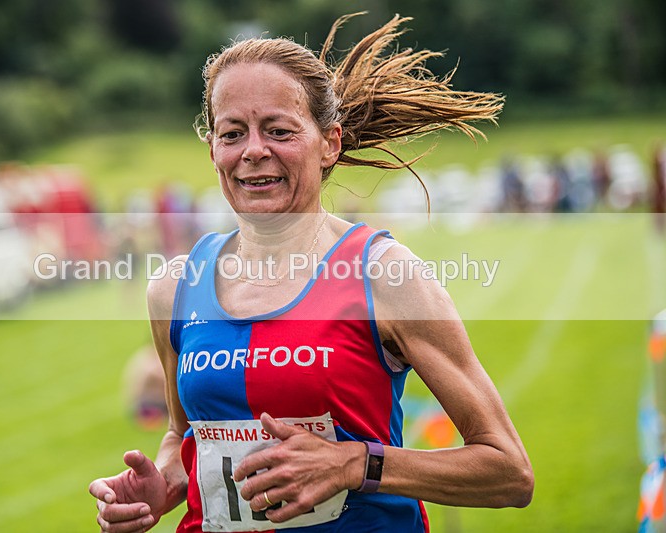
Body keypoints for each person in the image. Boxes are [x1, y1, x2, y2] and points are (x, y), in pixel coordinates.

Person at [89, 13, 533, 532]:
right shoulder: (174, 288)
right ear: (213, 150)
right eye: (233, 133)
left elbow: (508, 472)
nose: (254, 151)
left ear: (329, 143)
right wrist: (161, 486)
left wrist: (352, 463)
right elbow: (184, 435)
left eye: (278, 130)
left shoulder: (385, 276)